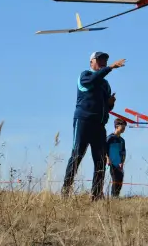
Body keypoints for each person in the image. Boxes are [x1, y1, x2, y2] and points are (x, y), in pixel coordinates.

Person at [61, 51, 126, 201]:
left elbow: (106, 107)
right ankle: (66, 190)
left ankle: (96, 194)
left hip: (99, 125)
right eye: (100, 60)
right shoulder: (85, 75)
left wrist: (110, 104)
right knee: (77, 155)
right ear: (91, 62)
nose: (103, 62)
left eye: (105, 60)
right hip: (83, 121)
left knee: (100, 160)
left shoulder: (105, 84)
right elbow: (93, 80)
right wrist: (111, 67)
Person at [106, 118, 127, 197]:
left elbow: (123, 152)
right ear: (117, 126)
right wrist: (107, 159)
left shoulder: (122, 140)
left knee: (120, 180)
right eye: (123, 126)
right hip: (111, 163)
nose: (124, 128)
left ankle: (116, 197)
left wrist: (122, 162)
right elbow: (104, 149)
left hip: (119, 164)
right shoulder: (110, 138)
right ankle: (113, 198)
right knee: (115, 180)